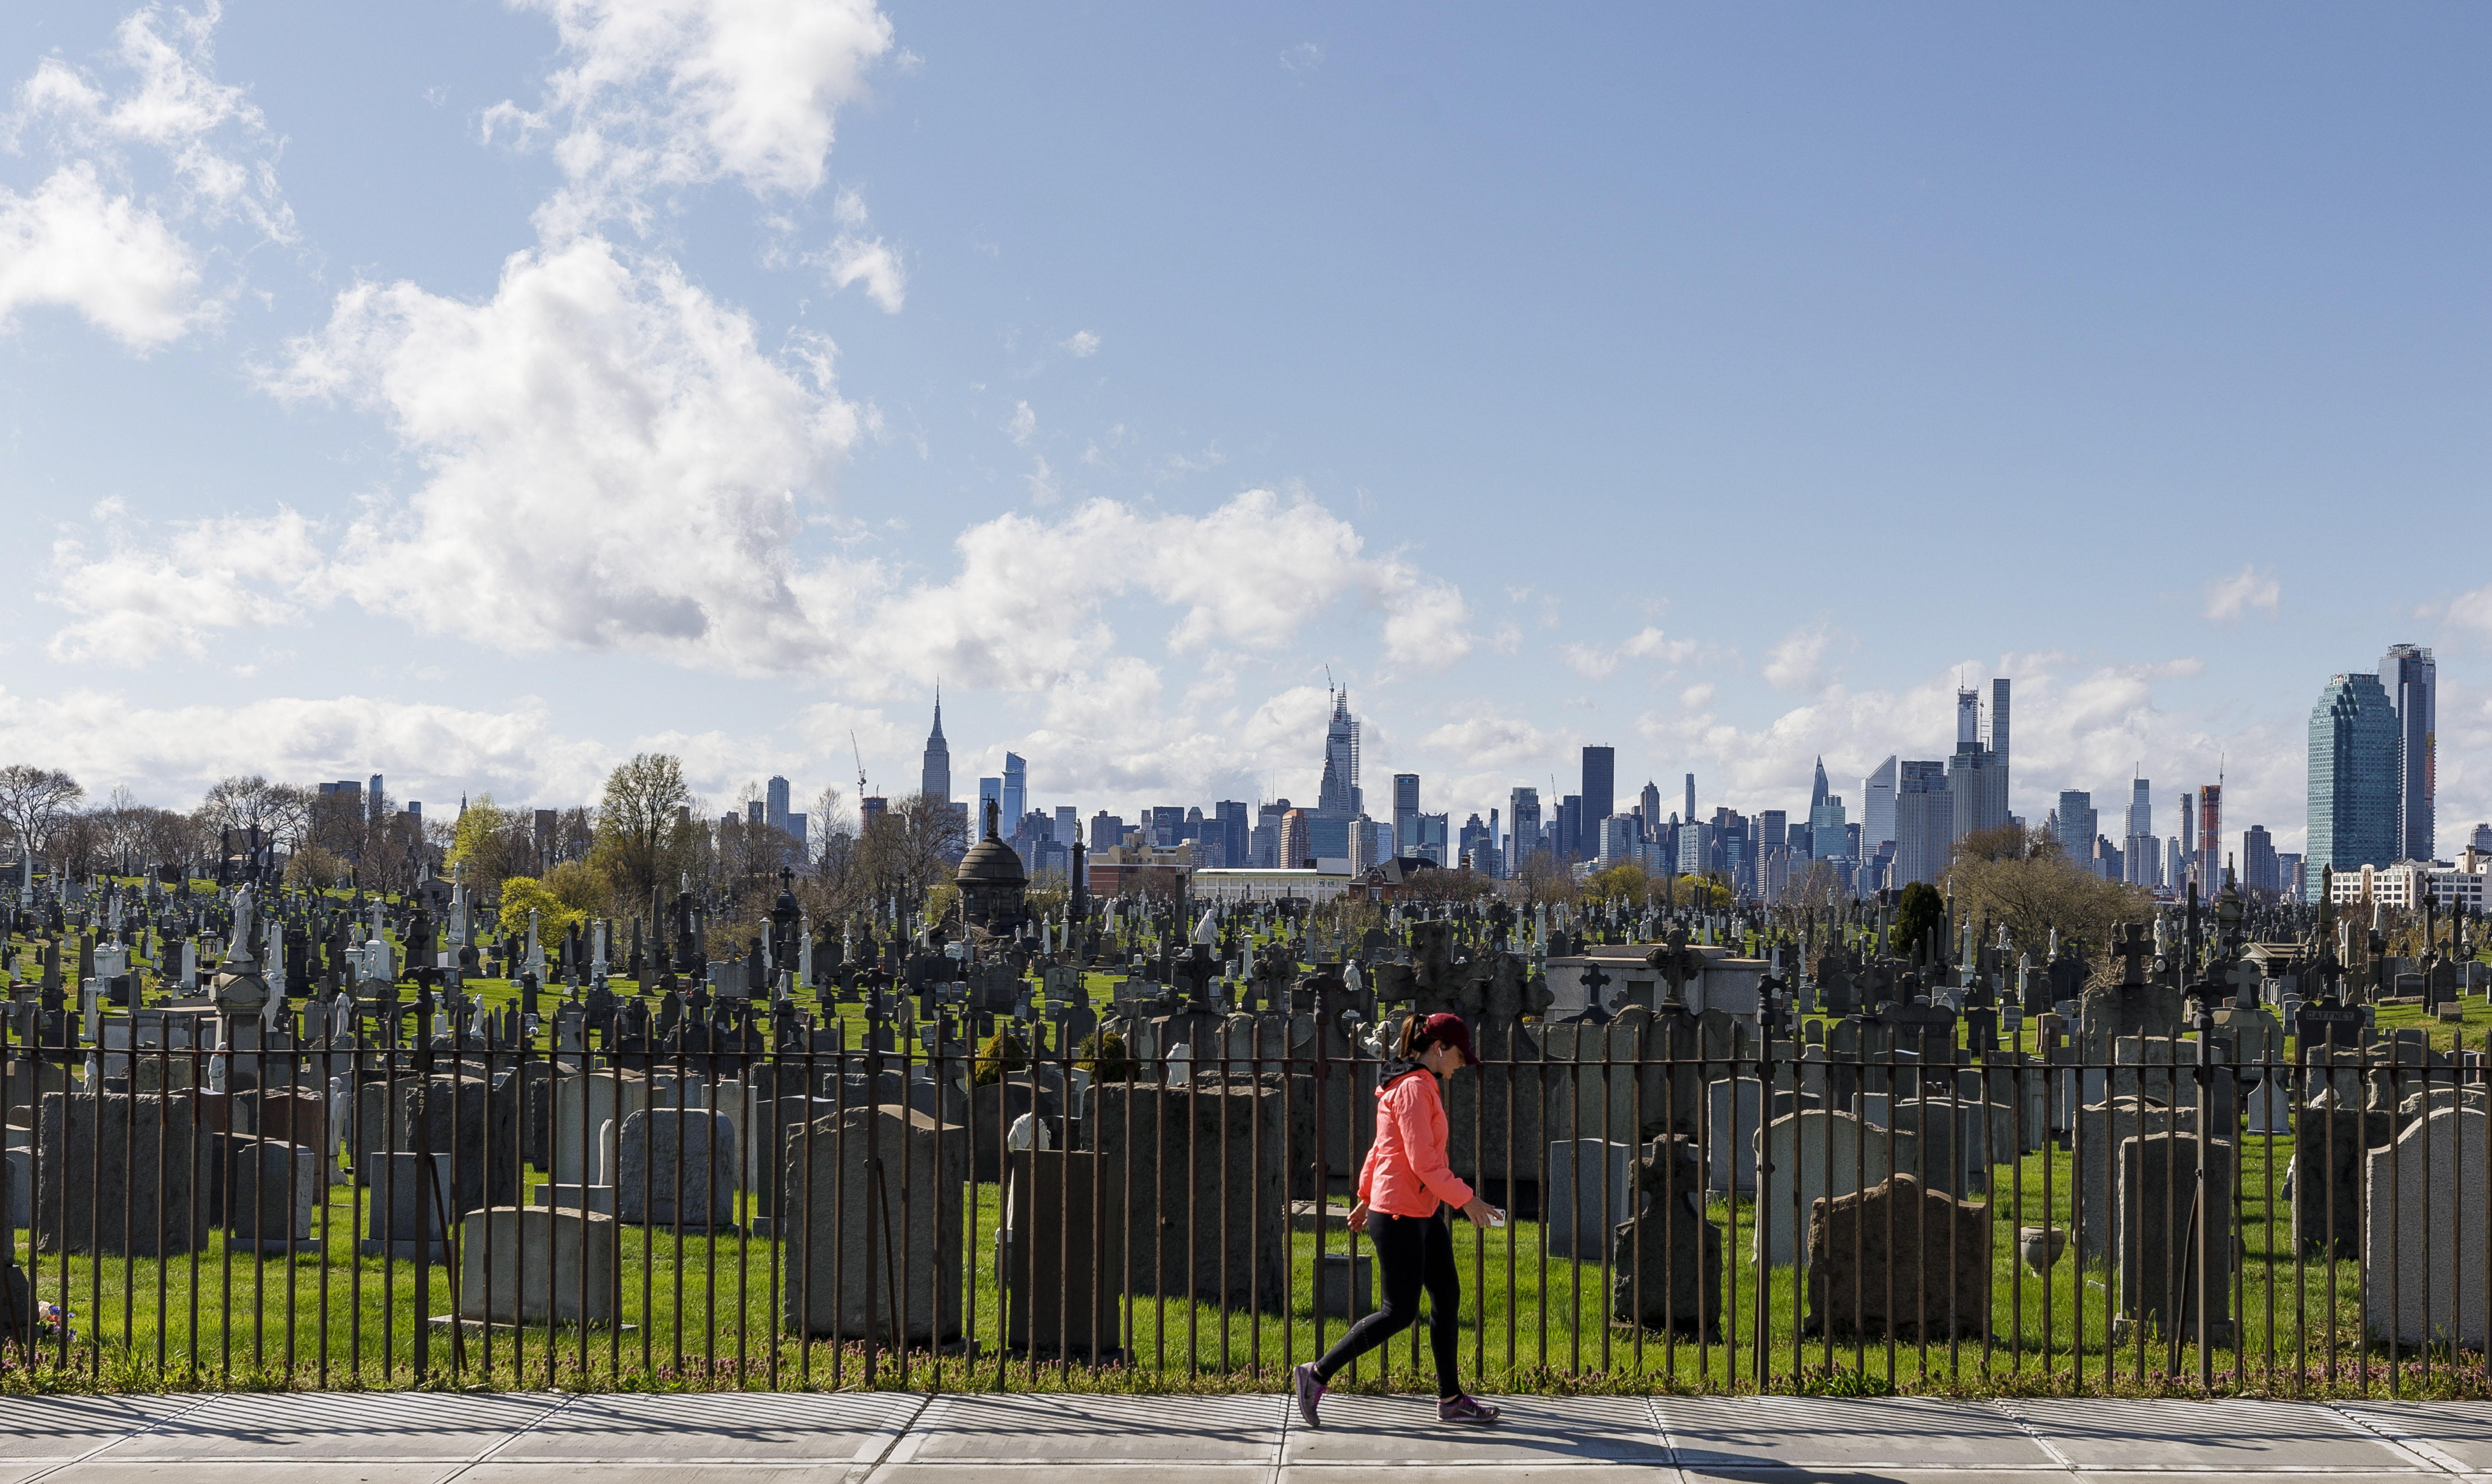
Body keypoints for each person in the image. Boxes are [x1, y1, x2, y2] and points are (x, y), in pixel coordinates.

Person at [1292, 1011, 1501, 1426]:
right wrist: (1467, 1199)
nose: (1462, 1064)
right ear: (1439, 1049)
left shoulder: (1418, 1085)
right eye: (1460, 1055)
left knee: (1447, 1295)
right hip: (1401, 1213)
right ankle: (1315, 1374)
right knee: (1399, 1312)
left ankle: (1451, 1399)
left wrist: (1366, 1196)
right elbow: (1423, 1161)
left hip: (1419, 1210)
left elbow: (1381, 1148)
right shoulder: (1412, 1090)